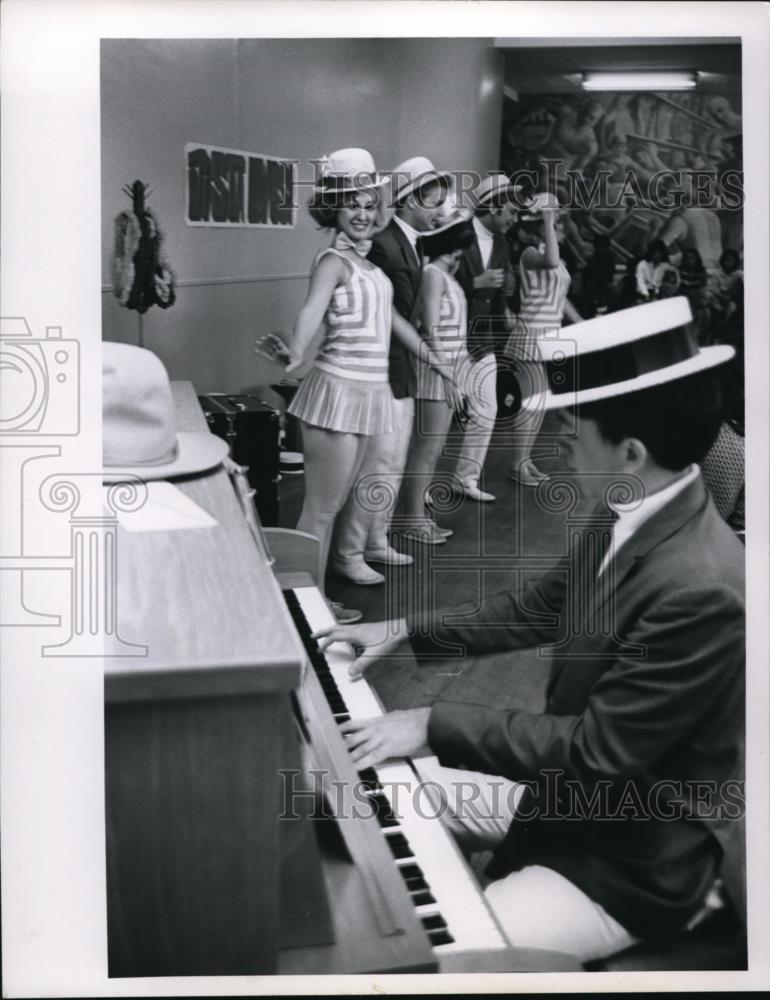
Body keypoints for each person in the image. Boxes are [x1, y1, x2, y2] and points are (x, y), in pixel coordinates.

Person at [315, 297, 744, 963]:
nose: (562, 442)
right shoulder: (636, 503)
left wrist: (430, 723)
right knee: (354, 799)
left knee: (442, 960)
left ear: (630, 452)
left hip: (633, 860)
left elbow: (598, 750)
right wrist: (403, 626)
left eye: (574, 431)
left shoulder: (704, 588)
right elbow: (544, 605)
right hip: (566, 806)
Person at [330, 156, 454, 574]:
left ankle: (375, 539)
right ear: (409, 200)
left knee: (394, 460)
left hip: (401, 367)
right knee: (376, 462)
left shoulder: (414, 244)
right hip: (378, 368)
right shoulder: (382, 244)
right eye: (433, 200)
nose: (439, 210)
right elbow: (385, 314)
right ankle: (350, 552)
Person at [397, 209, 476, 543]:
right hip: (435, 370)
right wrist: (446, 374)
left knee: (435, 447)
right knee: (426, 449)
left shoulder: (447, 275)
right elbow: (429, 327)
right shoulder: (433, 273)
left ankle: (416, 516)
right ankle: (412, 520)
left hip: (451, 367)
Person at [452, 174, 520, 502]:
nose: (514, 219)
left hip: (483, 339)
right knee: (432, 420)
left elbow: (498, 294)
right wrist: (474, 282)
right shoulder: (457, 234)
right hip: (446, 338)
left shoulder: (504, 244)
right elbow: (433, 284)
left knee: (487, 408)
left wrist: (503, 316)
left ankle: (465, 478)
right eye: (510, 211)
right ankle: (416, 488)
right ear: (492, 207)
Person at [507, 191, 582, 486]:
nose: (560, 226)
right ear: (541, 224)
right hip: (532, 334)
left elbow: (561, 300)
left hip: (549, 334)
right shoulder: (530, 254)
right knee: (531, 402)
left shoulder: (556, 260)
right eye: (555, 221)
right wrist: (548, 219)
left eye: (560, 221)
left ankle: (524, 461)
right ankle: (517, 465)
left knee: (540, 404)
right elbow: (550, 261)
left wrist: (583, 324)